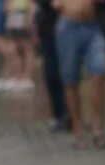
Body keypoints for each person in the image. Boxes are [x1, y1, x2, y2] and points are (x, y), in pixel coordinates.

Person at [55, 0, 105, 149]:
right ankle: (78, 129)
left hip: (92, 26)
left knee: (100, 73)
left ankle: (98, 129)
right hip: (68, 25)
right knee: (70, 79)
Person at [35, 0, 70, 131]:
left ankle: (69, 114)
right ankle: (60, 114)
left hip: (73, 24)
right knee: (52, 74)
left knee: (68, 73)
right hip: (48, 27)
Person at [0, 0, 24, 94]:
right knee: (10, 41)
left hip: (9, 7)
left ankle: (15, 76)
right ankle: (11, 76)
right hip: (8, 7)